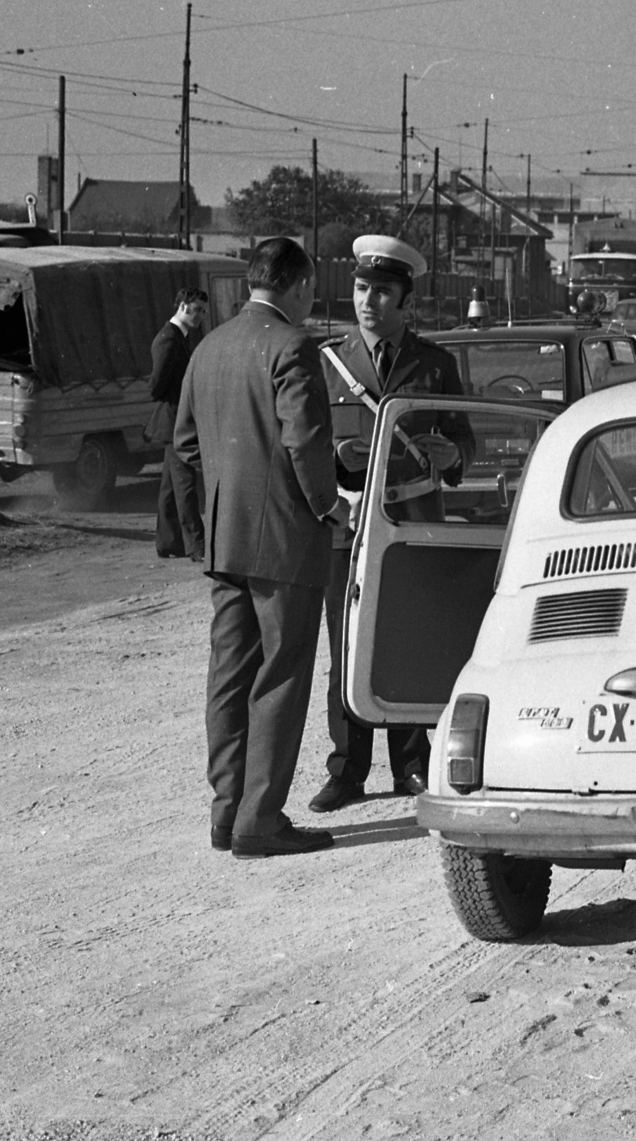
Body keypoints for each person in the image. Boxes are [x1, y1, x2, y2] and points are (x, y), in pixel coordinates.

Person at [173, 238, 346, 858]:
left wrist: (211, 516)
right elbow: (306, 442)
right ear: (298, 286)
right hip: (285, 540)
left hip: (227, 540)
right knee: (281, 674)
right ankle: (261, 820)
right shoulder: (293, 345)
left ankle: (226, 815)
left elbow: (186, 447)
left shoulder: (209, 347)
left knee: (228, 676)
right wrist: (330, 506)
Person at [308, 235, 473, 814]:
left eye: (382, 291)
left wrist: (452, 456)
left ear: (406, 301)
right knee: (346, 640)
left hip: (414, 520)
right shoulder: (327, 362)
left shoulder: (436, 364)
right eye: (360, 288)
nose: (368, 300)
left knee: (411, 636)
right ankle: (347, 769)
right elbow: (305, 446)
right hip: (350, 522)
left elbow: (464, 438)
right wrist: (336, 460)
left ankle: (410, 762)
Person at [147, 286, 208, 559]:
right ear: (182, 306)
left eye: (204, 312)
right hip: (174, 423)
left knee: (171, 487)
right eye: (196, 310)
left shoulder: (178, 337)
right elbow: (156, 386)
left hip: (176, 422)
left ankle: (168, 543)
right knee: (185, 486)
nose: (200, 317)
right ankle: (197, 547)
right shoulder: (169, 339)